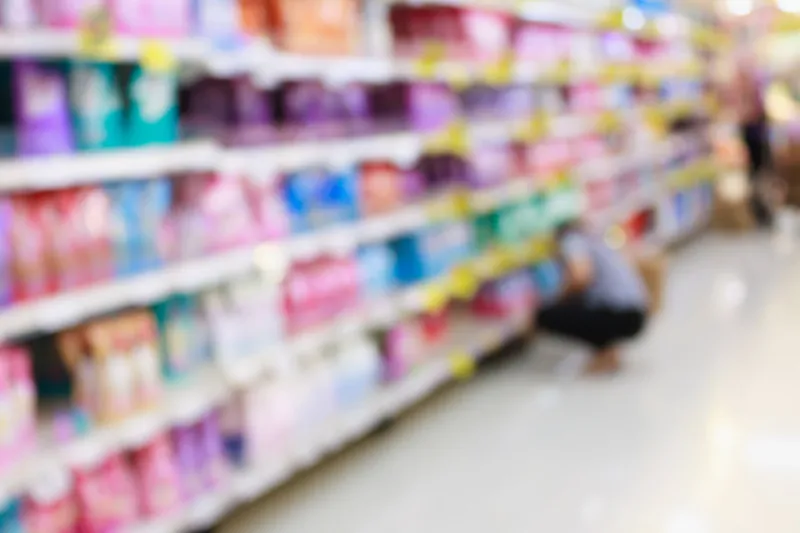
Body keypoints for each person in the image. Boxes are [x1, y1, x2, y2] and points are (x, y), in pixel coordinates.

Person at [536, 221, 649, 374]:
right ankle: (610, 351)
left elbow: (580, 277)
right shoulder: (598, 239)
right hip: (637, 311)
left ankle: (604, 353)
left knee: (547, 314)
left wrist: (558, 297)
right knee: (586, 304)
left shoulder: (572, 240)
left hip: (621, 314)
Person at [733, 57, 772, 226]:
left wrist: (740, 117)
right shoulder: (752, 90)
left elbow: (751, 115)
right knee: (757, 174)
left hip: (755, 139)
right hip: (755, 139)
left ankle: (762, 211)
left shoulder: (752, 92)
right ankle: (760, 211)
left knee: (758, 175)